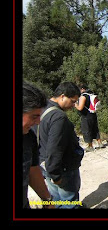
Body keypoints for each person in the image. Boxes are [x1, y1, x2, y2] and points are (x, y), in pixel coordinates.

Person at [34, 82, 84, 209]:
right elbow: (55, 149)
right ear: (62, 96)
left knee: (56, 200)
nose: (74, 106)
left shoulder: (40, 108)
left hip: (45, 164)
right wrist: (56, 175)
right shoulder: (58, 117)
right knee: (69, 202)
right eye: (73, 101)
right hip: (61, 169)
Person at [22, 81, 54, 209]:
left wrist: (47, 200)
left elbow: (32, 170)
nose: (38, 122)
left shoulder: (28, 137)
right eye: (34, 116)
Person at [75, 84, 103, 152]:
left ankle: (90, 146)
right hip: (93, 113)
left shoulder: (83, 96)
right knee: (95, 129)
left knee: (87, 130)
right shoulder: (91, 94)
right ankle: (100, 143)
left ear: (82, 89)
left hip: (86, 115)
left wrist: (75, 104)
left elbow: (80, 108)